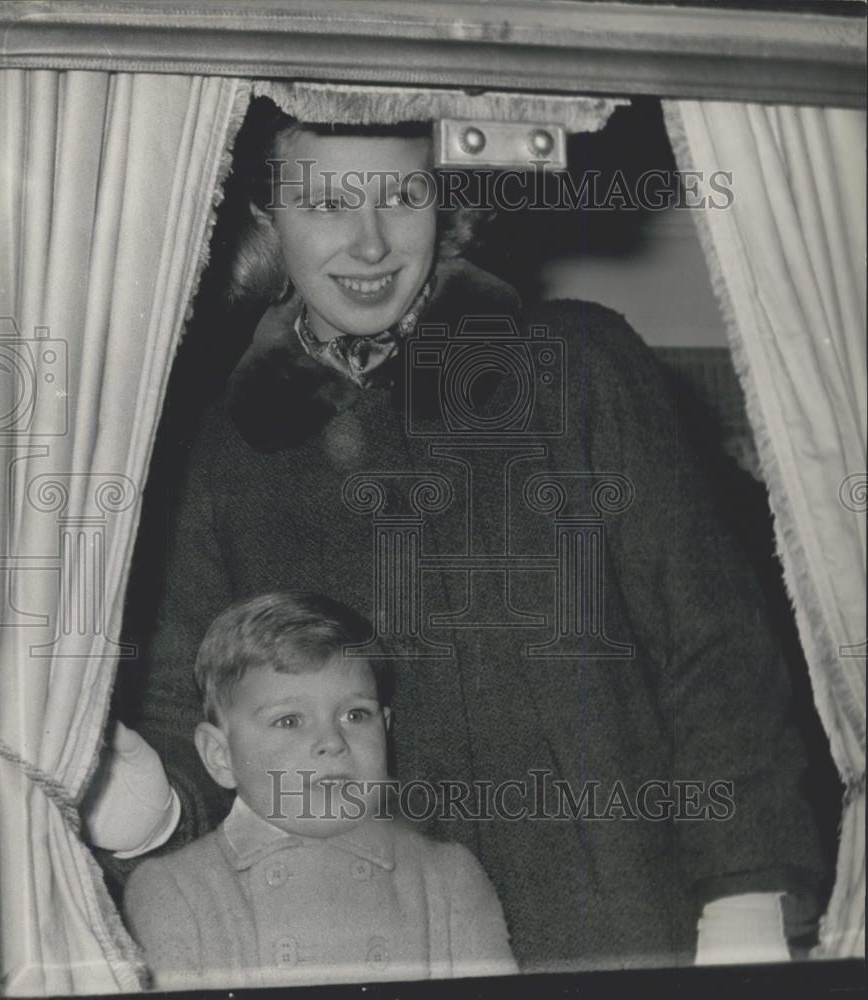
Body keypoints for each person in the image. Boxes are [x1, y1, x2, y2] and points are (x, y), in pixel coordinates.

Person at [87, 102, 826, 972]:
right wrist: (141, 801)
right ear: (264, 222)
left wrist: (744, 899)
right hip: (392, 940)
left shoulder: (580, 367)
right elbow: (198, 720)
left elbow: (716, 652)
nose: (370, 245)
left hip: (633, 921)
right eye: (325, 203)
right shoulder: (216, 449)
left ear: (448, 201)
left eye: (401, 195)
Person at [122, 591, 516, 989]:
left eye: (355, 715)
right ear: (221, 756)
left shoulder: (447, 878)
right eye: (290, 720)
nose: (332, 741)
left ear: (387, 729)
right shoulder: (174, 891)